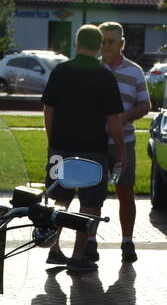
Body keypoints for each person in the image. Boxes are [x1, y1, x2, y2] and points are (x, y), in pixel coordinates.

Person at [41, 24, 127, 274]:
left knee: (59, 198)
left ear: (76, 44)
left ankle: (53, 247)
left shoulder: (60, 71)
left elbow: (49, 109)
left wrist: (52, 141)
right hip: (93, 149)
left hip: (61, 147)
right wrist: (121, 151)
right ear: (99, 46)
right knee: (89, 203)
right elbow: (113, 120)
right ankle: (79, 256)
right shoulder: (105, 76)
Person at [96, 21, 150, 264]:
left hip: (124, 142)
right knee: (92, 195)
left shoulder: (135, 71)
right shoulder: (93, 69)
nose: (106, 46)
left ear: (122, 44)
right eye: (103, 41)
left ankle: (127, 241)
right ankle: (89, 241)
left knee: (125, 192)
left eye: (111, 41)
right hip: (94, 141)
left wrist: (122, 118)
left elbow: (145, 105)